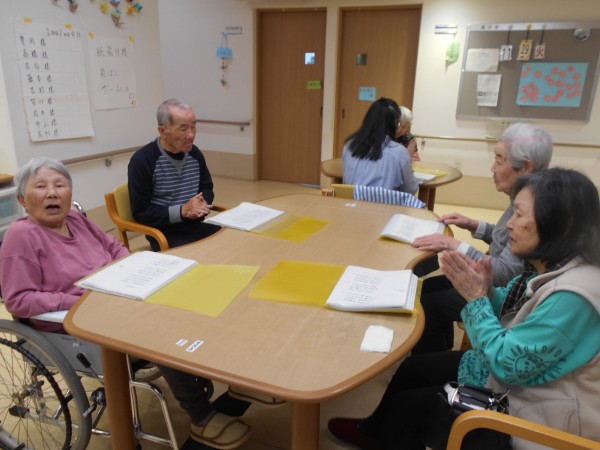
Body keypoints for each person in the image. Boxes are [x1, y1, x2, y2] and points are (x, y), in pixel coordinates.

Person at [329, 167, 600, 449]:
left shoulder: (574, 296)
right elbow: (512, 311)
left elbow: (508, 365)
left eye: (519, 215)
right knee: (411, 368)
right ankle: (371, 432)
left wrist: (477, 297)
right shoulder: (556, 265)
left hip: (538, 411)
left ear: (563, 225)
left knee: (408, 408)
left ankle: (384, 435)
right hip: (525, 379)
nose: (509, 224)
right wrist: (486, 289)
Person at [0, 157, 253, 450]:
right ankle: (200, 414)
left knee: (185, 295)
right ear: (22, 199)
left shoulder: (76, 220)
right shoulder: (21, 236)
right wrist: (80, 298)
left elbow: (114, 247)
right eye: (40, 187)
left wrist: (132, 270)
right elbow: (18, 300)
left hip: (113, 296)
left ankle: (227, 375)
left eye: (59, 185)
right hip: (72, 322)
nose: (52, 193)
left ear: (70, 192)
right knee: (156, 328)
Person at [410, 123, 553, 354]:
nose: (492, 168)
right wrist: (473, 225)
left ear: (526, 167)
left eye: (499, 161)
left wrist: (455, 244)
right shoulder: (528, 195)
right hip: (491, 279)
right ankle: (440, 349)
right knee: (428, 287)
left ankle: (429, 361)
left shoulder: (535, 208)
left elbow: (505, 272)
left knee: (430, 304)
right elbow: (505, 238)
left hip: (503, 291)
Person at [128, 99, 221, 251]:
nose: (191, 135)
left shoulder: (195, 154)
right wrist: (182, 210)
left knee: (232, 240)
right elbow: (141, 213)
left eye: (193, 127)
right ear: (163, 131)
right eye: (183, 129)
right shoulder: (143, 161)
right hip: (164, 233)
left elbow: (207, 187)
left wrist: (202, 202)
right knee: (205, 255)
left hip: (195, 226)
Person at [342, 97, 419, 194]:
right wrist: (407, 156)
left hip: (351, 201)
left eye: (405, 127)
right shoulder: (399, 152)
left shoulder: (349, 145)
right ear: (392, 124)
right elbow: (411, 189)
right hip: (384, 203)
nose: (400, 129)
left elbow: (346, 181)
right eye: (398, 124)